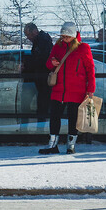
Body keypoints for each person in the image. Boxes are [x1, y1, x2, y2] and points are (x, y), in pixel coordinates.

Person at [40, 22, 96, 155]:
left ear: (73, 36)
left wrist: (90, 89)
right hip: (58, 89)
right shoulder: (57, 47)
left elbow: (90, 69)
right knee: (54, 117)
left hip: (76, 90)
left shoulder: (83, 48)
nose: (64, 38)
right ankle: (52, 145)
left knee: (73, 117)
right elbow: (48, 64)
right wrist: (52, 62)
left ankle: (71, 146)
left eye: (66, 36)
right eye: (62, 36)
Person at [20, 22, 53, 116]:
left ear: (34, 31)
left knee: (41, 105)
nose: (28, 38)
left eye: (28, 35)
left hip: (42, 79)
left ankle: (39, 126)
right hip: (40, 79)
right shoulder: (41, 41)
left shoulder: (42, 42)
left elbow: (40, 60)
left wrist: (26, 65)